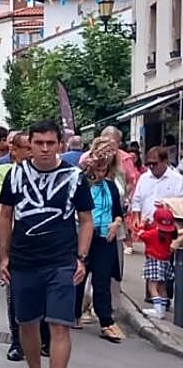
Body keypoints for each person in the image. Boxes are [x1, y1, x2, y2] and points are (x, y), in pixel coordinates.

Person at [0, 119, 94, 368]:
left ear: (59, 145)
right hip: (24, 260)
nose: (44, 149)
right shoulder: (15, 175)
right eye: (38, 143)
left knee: (59, 325)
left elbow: (86, 220)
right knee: (27, 323)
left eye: (50, 143)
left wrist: (81, 258)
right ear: (29, 144)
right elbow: (5, 216)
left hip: (61, 261)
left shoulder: (75, 177)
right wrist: (3, 255)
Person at [0, 131, 47, 361]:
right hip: (15, 239)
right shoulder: (5, 170)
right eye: (28, 148)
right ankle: (17, 341)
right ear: (15, 151)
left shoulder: (48, 173)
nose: (33, 152)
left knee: (44, 293)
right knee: (16, 293)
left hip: (43, 241)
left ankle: (44, 339)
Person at [75, 139, 126, 341]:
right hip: (84, 236)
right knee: (78, 277)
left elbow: (118, 212)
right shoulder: (82, 182)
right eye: (99, 169)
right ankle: (74, 314)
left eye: (104, 170)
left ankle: (106, 322)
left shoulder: (111, 186)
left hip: (106, 237)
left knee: (102, 281)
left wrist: (116, 223)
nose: (101, 173)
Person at [129, 146, 183, 234]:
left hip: (168, 229)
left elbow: (181, 204)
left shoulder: (178, 180)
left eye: (154, 163)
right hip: (146, 226)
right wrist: (136, 217)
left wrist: (168, 204)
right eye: (148, 164)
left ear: (165, 161)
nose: (151, 166)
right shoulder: (144, 178)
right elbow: (136, 200)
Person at [140, 204, 178, 319]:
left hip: (153, 261)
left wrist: (144, 224)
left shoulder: (152, 234)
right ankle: (162, 310)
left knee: (152, 287)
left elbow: (140, 234)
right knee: (162, 288)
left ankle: (157, 310)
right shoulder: (170, 235)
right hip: (165, 262)